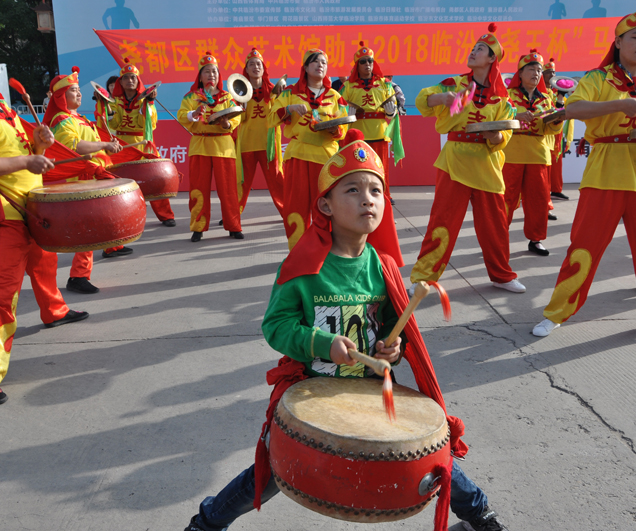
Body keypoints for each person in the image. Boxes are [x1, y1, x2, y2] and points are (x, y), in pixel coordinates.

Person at [183, 129, 510, 531]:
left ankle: (479, 513)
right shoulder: (302, 267)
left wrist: (394, 348)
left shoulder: (382, 265)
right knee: (271, 469)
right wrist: (320, 343)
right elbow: (276, 326)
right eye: (352, 190)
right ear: (326, 204)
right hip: (311, 384)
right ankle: (208, 521)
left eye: (375, 190)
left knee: (433, 455)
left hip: (370, 391)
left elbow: (392, 328)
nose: (367, 199)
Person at [531, 0, 636, 340]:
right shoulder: (598, 77)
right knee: (585, 245)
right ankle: (558, 312)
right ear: (618, 41)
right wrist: (620, 104)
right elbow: (573, 108)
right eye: (635, 36)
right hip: (605, 169)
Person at [0, 19, 88, 406]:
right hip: (3, 209)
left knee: (43, 266)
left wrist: (39, 142)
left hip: (30, 204)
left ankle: (53, 310)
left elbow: (26, 154)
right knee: (2, 291)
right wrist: (28, 159)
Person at [409, 24, 526, 294]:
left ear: (492, 59)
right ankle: (424, 277)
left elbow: (503, 138)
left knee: (494, 225)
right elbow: (423, 99)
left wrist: (494, 136)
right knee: (443, 221)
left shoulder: (502, 99)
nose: (473, 52)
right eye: (473, 48)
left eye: (480, 50)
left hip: (486, 164)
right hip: (455, 161)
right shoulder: (455, 83)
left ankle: (502, 275)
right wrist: (444, 97)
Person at [43, 66, 124, 294]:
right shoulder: (62, 120)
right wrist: (104, 145)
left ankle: (87, 267)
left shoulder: (80, 118)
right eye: (74, 90)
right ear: (61, 96)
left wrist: (109, 148)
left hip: (94, 177)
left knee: (94, 226)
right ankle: (78, 276)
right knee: (87, 228)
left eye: (79, 90)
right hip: (80, 180)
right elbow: (73, 147)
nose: (79, 94)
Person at [268, 49, 348, 249]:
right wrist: (289, 109)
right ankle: (299, 250)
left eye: (324, 63)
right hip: (299, 156)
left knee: (326, 206)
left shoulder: (335, 95)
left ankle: (325, 249)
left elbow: (344, 127)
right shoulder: (290, 93)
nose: (320, 66)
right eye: (315, 62)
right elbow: (270, 118)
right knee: (297, 205)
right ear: (305, 67)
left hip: (326, 157)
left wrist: (334, 128)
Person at [503, 49, 563, 257]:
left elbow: (551, 129)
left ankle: (535, 239)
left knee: (538, 200)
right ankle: (498, 236)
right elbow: (498, 119)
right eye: (531, 69)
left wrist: (557, 120)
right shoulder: (507, 96)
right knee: (506, 198)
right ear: (519, 73)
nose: (536, 73)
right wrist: (515, 115)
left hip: (538, 154)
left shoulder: (546, 99)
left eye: (539, 70)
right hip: (512, 153)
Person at [178, 52, 243, 241]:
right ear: (200, 75)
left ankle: (233, 225)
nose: (211, 75)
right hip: (200, 145)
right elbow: (183, 116)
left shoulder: (227, 96)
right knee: (198, 188)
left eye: (214, 72)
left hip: (223, 145)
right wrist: (194, 113)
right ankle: (198, 227)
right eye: (207, 72)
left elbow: (237, 116)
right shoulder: (191, 97)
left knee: (228, 189)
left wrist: (227, 124)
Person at [109, 59, 177, 230]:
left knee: (155, 180)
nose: (130, 81)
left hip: (144, 143)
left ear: (138, 80)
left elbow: (151, 124)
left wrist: (149, 104)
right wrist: (107, 110)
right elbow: (114, 125)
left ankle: (166, 215)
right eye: (126, 78)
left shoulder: (146, 100)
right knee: (121, 182)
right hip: (123, 145)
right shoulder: (115, 103)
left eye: (133, 77)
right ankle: (125, 216)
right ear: (121, 82)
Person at [342, 41, 398, 204]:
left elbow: (392, 108)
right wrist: (346, 113)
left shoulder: (385, 84)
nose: (367, 64)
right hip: (357, 134)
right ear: (357, 65)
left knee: (381, 168)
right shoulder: (348, 86)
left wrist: (391, 111)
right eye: (363, 61)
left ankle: (385, 195)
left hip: (379, 132)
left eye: (370, 61)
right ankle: (359, 196)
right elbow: (339, 107)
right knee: (358, 167)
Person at [237, 48, 285, 218]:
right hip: (246, 143)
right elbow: (238, 119)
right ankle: (233, 214)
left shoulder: (274, 90)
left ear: (263, 69)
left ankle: (287, 211)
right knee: (241, 181)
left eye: (259, 64)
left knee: (277, 179)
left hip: (269, 145)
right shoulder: (238, 92)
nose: (256, 67)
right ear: (246, 69)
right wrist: (239, 106)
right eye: (252, 64)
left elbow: (281, 114)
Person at [543, 57, 570, 202]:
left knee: (557, 162)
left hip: (558, 132)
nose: (552, 75)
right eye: (549, 72)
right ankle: (545, 195)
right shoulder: (541, 93)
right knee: (546, 165)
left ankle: (556, 189)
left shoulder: (556, 92)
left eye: (554, 72)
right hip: (546, 132)